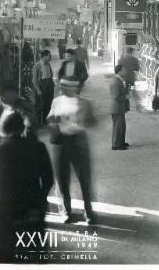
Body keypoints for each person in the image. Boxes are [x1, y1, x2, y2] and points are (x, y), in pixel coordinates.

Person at [0, 112, 54, 262]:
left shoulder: (1, 150)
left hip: (8, 207)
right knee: (36, 245)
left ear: (4, 129)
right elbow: (48, 179)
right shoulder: (38, 146)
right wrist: (41, 198)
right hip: (34, 204)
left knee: (9, 248)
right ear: (22, 128)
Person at [46, 79, 97, 224]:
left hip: (78, 142)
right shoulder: (56, 101)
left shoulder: (84, 103)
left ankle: (88, 212)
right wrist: (54, 121)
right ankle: (67, 211)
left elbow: (92, 121)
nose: (61, 89)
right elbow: (49, 118)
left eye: (65, 87)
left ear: (74, 88)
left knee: (84, 179)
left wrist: (83, 121)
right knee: (62, 179)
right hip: (61, 142)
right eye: (61, 86)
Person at [32, 49, 55, 127]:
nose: (50, 57)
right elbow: (34, 80)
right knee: (39, 106)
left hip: (49, 85)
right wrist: (38, 89)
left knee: (48, 105)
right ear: (44, 56)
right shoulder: (37, 65)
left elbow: (51, 75)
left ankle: (45, 122)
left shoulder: (48, 64)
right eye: (49, 55)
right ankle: (38, 123)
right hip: (41, 86)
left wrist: (52, 85)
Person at [110, 64, 129, 151]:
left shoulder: (119, 80)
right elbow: (116, 96)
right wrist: (126, 97)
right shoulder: (116, 82)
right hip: (117, 108)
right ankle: (116, 145)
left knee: (121, 126)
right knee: (118, 127)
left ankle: (120, 142)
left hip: (119, 108)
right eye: (124, 70)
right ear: (120, 71)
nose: (125, 71)